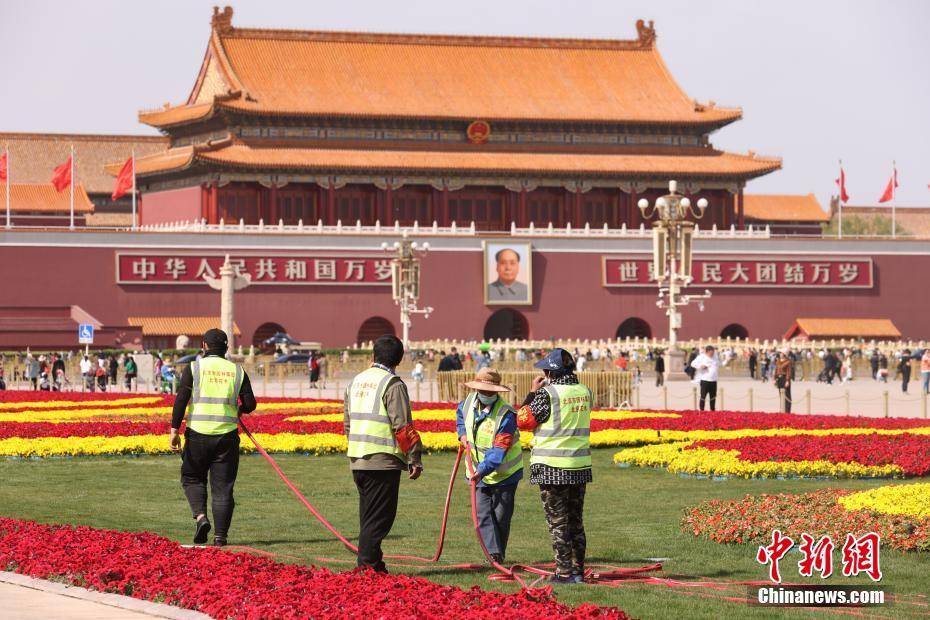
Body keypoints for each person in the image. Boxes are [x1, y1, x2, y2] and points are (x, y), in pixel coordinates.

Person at [170, 328, 256, 546]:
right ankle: (220, 537)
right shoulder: (237, 371)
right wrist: (239, 410)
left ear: (204, 346)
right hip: (226, 437)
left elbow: (181, 400)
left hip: (197, 434)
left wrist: (174, 430)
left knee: (192, 478)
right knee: (223, 487)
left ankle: (200, 517)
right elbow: (250, 404)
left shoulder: (194, 367)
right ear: (226, 348)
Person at [344, 334, 423, 573]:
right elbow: (402, 426)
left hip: (358, 458)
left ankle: (375, 564)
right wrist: (414, 458)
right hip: (383, 460)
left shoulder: (355, 381)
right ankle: (367, 566)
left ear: (373, 355)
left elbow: (347, 423)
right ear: (399, 359)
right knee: (380, 518)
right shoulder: (392, 384)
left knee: (369, 515)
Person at [516, 348, 591, 584]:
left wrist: (532, 393)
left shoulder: (548, 394)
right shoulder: (585, 391)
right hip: (579, 466)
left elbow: (523, 421)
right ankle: (578, 570)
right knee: (576, 522)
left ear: (550, 372)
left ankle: (564, 573)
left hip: (551, 466)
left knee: (558, 522)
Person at [456, 368, 522, 564]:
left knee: (501, 517)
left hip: (504, 475)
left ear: (496, 392)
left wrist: (481, 471)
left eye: (490, 392)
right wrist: (462, 435)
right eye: (482, 391)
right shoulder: (467, 404)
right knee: (483, 514)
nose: (485, 395)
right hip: (477, 473)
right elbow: (460, 418)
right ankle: (494, 555)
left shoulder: (506, 415)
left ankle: (497, 555)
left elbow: (498, 451)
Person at [690, 346, 720, 411]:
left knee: (713, 397)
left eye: (713, 353)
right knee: (703, 396)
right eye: (710, 353)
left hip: (713, 380)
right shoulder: (702, 357)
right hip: (705, 380)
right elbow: (692, 364)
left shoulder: (715, 357)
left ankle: (712, 410)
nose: (712, 354)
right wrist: (700, 366)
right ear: (706, 352)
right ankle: (702, 410)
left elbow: (719, 364)